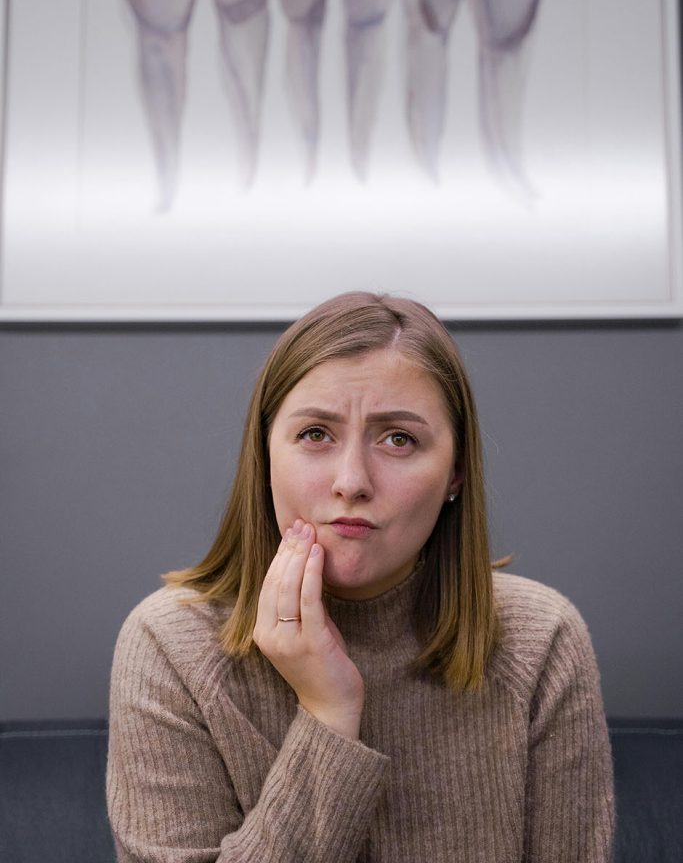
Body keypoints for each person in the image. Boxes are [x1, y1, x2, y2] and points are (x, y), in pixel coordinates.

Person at [107, 291, 614, 862]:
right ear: (265, 456)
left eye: (399, 439)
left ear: (456, 473)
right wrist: (327, 716)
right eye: (315, 434)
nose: (351, 481)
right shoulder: (169, 645)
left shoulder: (542, 641)